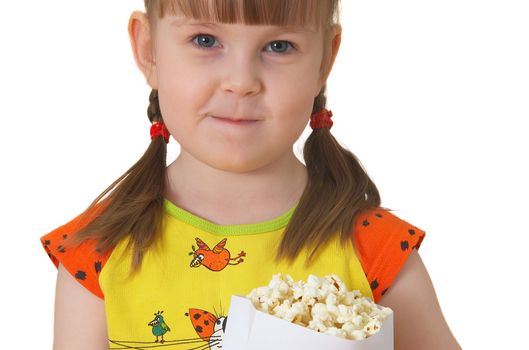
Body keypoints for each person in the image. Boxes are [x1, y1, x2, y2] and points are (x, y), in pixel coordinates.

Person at [40, 1, 461, 349]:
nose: (241, 82)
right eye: (205, 40)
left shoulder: (377, 252)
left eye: (278, 45)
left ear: (324, 61)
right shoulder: (96, 253)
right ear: (149, 49)